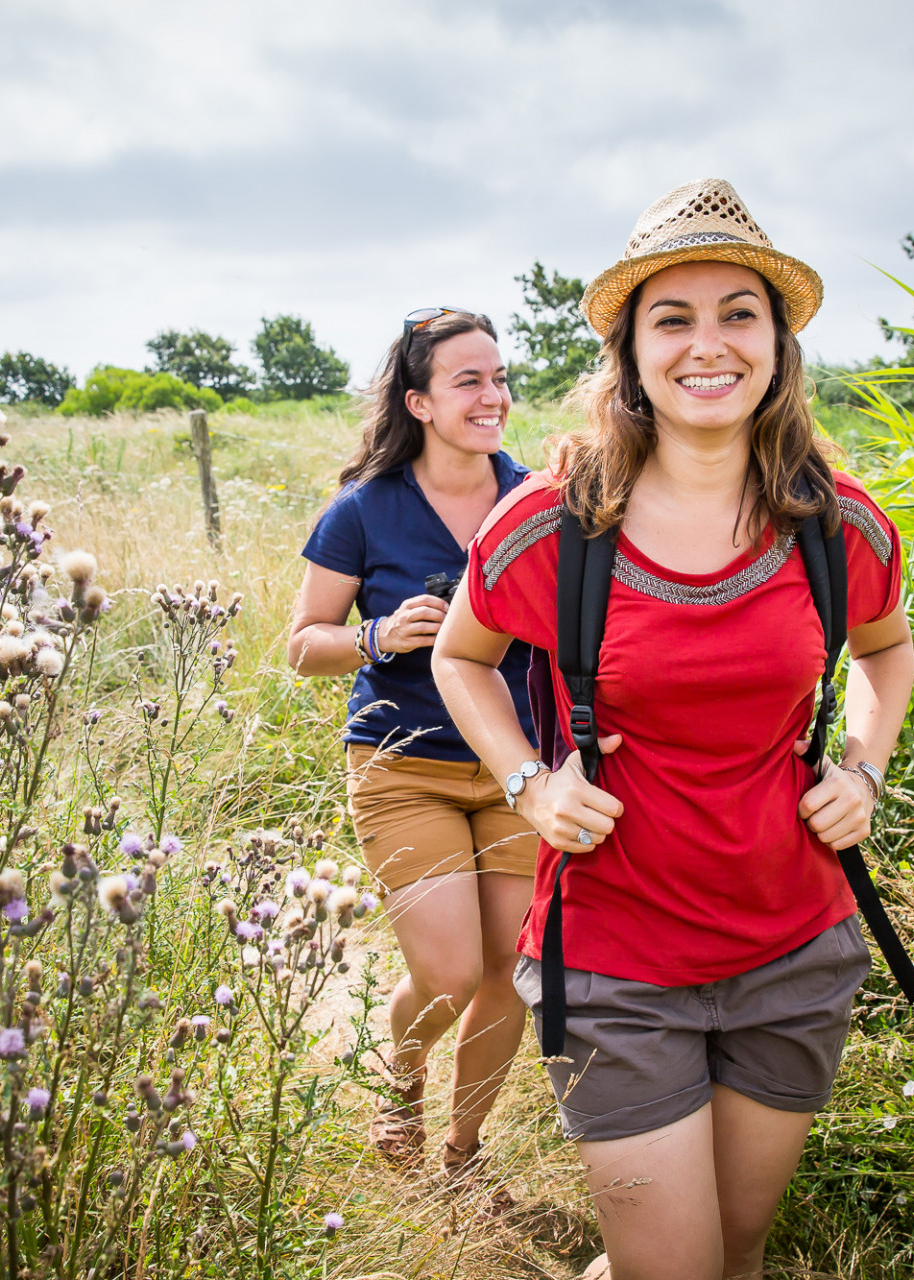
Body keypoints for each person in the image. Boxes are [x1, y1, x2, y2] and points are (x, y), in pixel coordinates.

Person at [431, 180, 914, 1280]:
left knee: (736, 1253)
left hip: (794, 948)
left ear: (779, 344)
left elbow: (886, 650)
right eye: (674, 318)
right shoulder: (552, 521)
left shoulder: (837, 522)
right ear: (630, 351)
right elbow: (460, 658)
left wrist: (866, 769)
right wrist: (526, 782)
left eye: (739, 312)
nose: (711, 344)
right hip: (615, 957)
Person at [286, 308, 539, 1176]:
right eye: (469, 380)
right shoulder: (364, 511)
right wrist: (379, 636)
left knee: (511, 970)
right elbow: (302, 645)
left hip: (521, 769)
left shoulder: (540, 502)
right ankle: (403, 1079)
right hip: (405, 767)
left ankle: (464, 1154)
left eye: (499, 378)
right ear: (420, 402)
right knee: (451, 972)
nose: (492, 395)